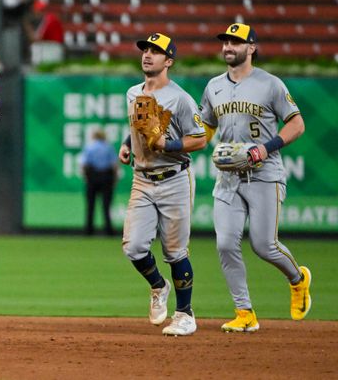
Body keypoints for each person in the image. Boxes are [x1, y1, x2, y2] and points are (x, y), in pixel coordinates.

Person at [199, 23, 311, 332]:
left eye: (236, 42)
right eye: (225, 42)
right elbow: (206, 126)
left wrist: (267, 147)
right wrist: (197, 143)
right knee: (224, 244)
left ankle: (298, 279)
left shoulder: (270, 84)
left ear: (251, 48)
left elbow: (297, 124)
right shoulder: (213, 87)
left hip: (265, 175)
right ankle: (244, 312)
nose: (228, 47)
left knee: (264, 245)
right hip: (229, 180)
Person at [118, 33, 207, 336]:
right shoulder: (133, 93)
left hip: (174, 179)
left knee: (175, 252)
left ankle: (185, 314)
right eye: (145, 49)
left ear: (168, 61)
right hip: (142, 179)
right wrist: (128, 143)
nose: (147, 54)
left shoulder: (180, 98)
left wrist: (167, 144)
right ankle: (159, 285)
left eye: (156, 51)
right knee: (133, 247)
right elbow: (138, 126)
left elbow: (200, 138)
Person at [79, 129, 118, 235]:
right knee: (106, 205)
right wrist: (115, 179)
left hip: (92, 176)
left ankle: (88, 230)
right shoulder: (108, 147)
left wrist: (85, 178)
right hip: (106, 177)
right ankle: (108, 230)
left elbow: (83, 164)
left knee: (90, 205)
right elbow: (114, 165)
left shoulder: (89, 147)